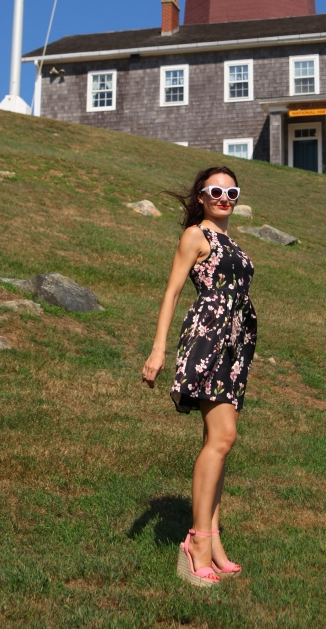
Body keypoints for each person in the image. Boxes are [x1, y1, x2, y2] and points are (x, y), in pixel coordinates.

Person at [141, 166, 258, 588]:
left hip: (234, 346)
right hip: (208, 339)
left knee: (221, 441)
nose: (225, 198)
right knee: (222, 438)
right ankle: (198, 542)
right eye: (216, 191)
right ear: (202, 197)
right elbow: (172, 291)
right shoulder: (196, 235)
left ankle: (214, 541)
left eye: (232, 192)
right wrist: (158, 349)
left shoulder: (231, 241)